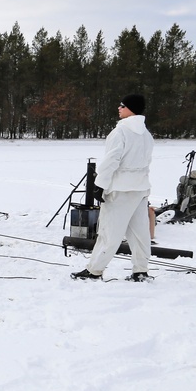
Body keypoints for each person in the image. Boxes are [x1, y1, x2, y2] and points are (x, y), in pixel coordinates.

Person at [72, 94, 154, 282]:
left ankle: (94, 271)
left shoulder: (121, 132)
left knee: (109, 232)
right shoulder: (146, 134)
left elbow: (111, 161)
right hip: (140, 189)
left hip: (120, 190)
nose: (118, 108)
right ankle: (140, 270)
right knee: (140, 232)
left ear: (130, 108)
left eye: (122, 105)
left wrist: (100, 185)